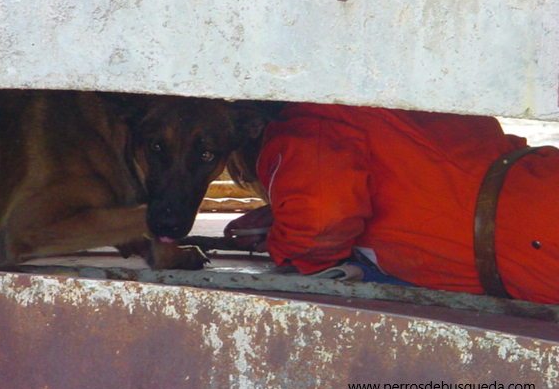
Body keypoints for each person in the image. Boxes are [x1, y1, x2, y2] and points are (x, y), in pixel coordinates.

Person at [224, 102, 559, 304]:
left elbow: (318, 225)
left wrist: (281, 240)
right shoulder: (381, 101)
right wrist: (283, 211)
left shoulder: (306, 123)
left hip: (534, 248)